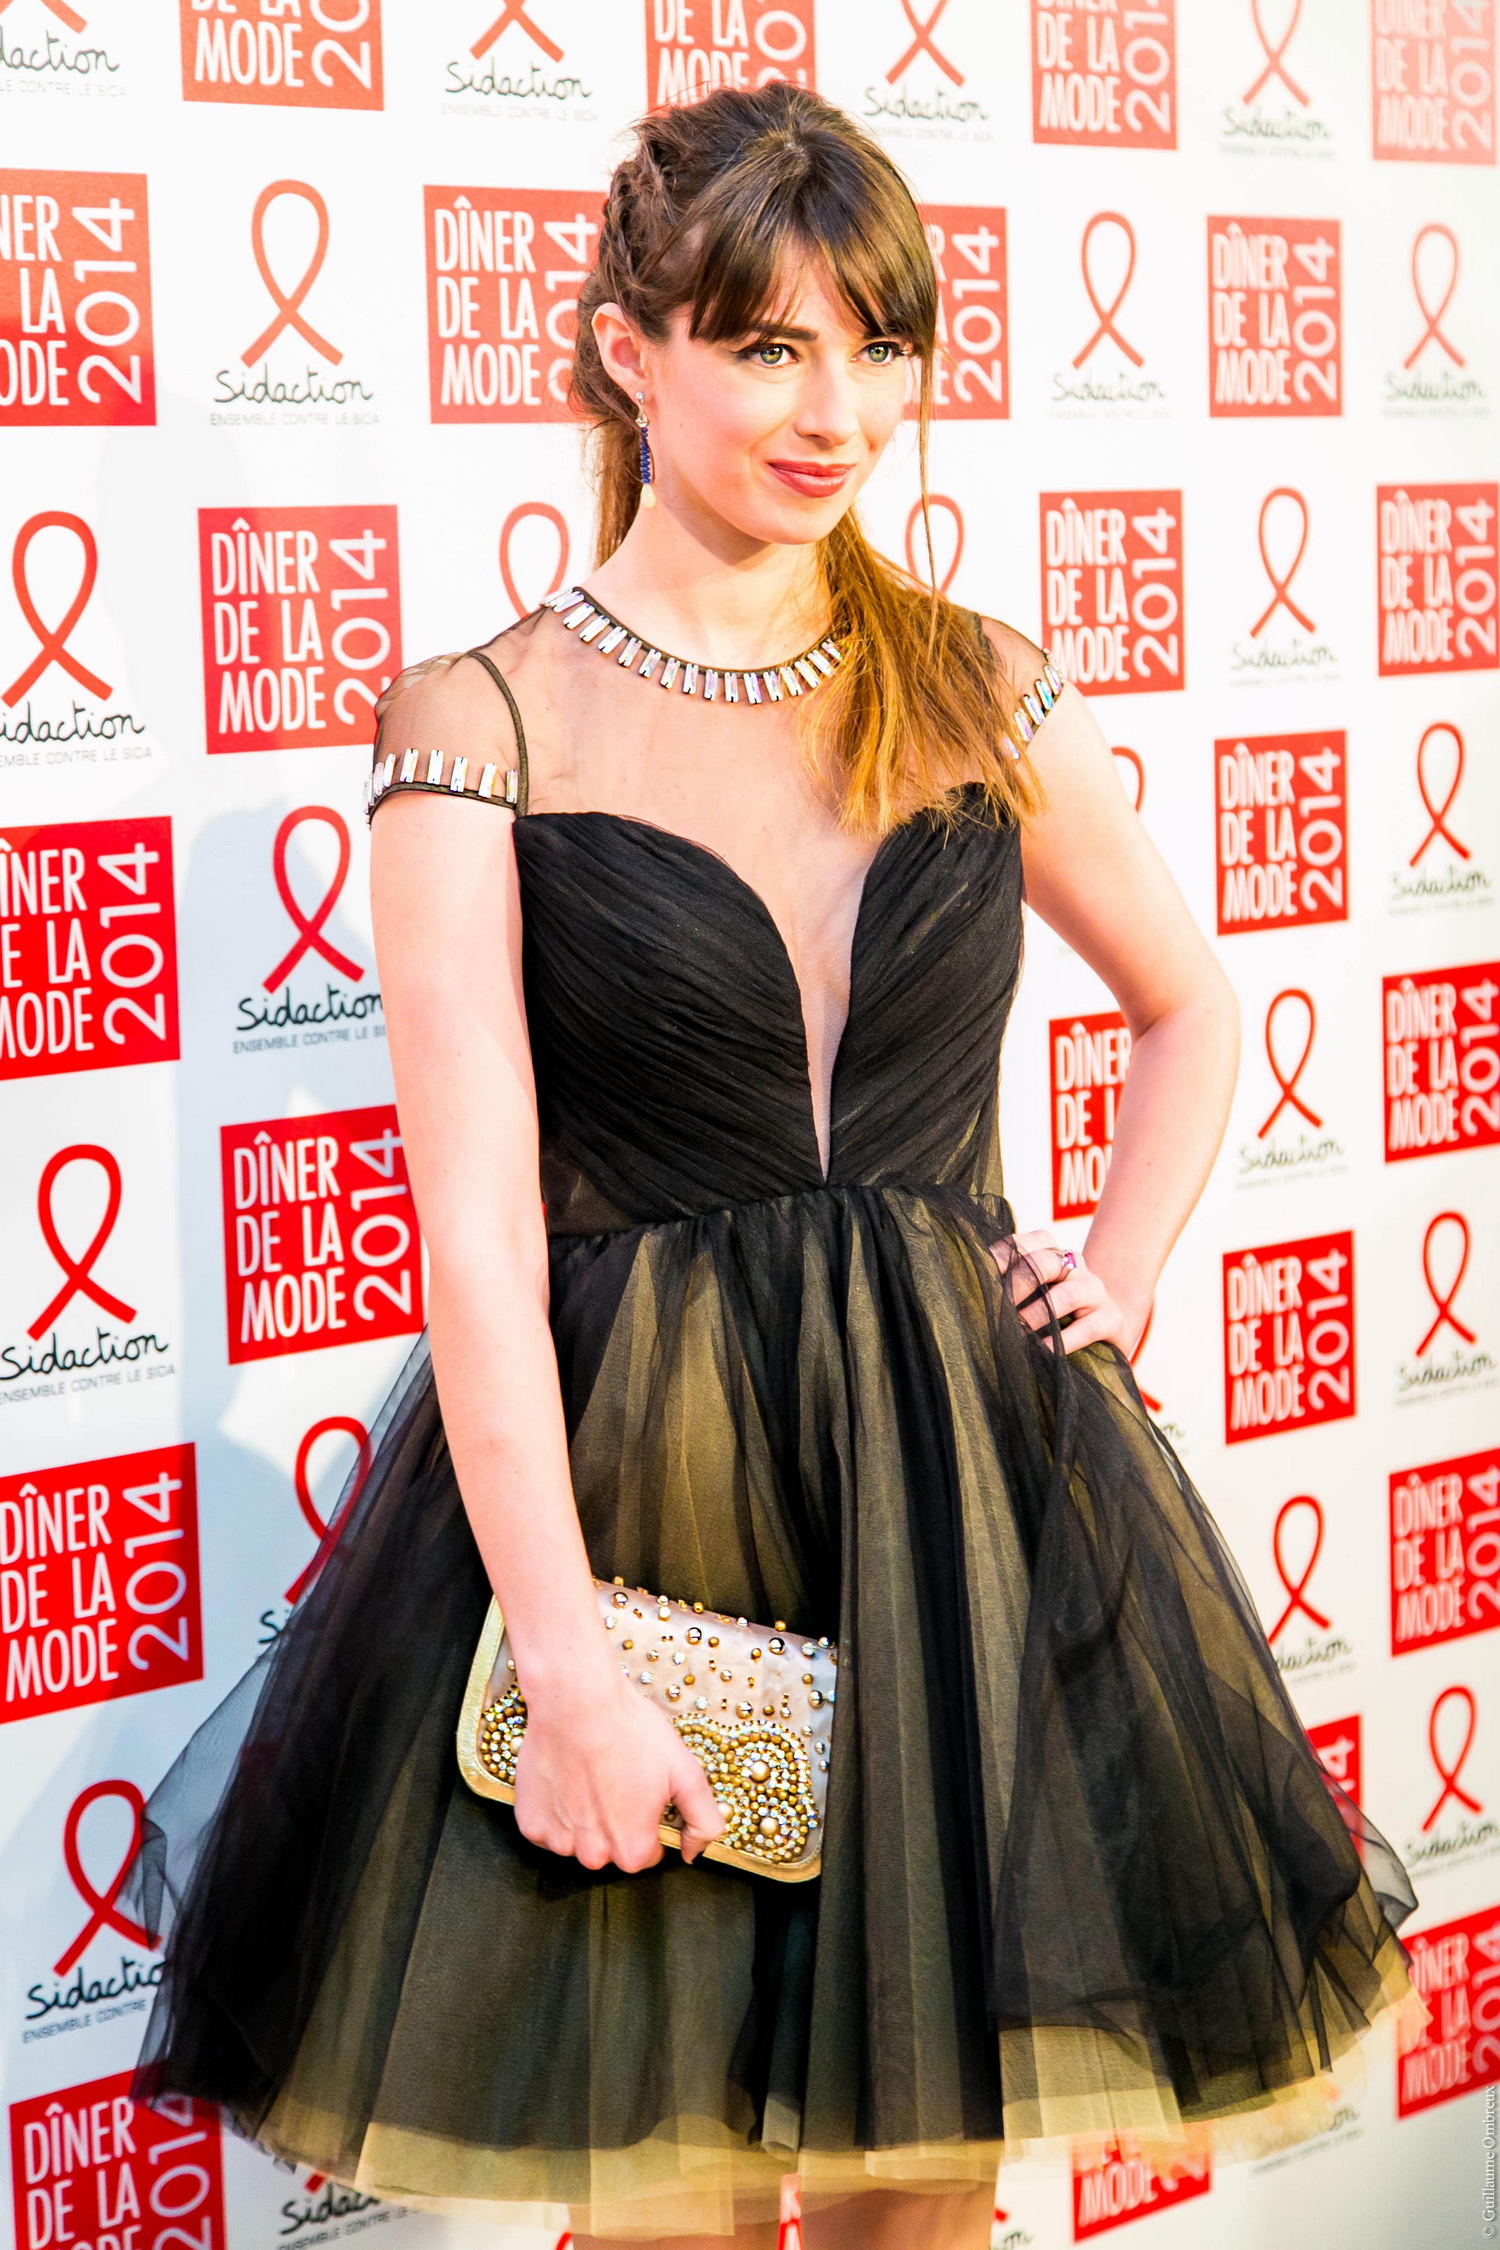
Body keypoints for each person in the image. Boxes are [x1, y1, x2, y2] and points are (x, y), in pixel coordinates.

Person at [124, 83, 1427, 2250]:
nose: (840, 411)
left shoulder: (976, 688)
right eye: (766, 345)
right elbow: (478, 1242)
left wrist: (1115, 1269)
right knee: (674, 2199)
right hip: (637, 1524)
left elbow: (1192, 1007)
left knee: (931, 2189)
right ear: (626, 351)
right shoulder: (481, 722)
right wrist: (564, 1663)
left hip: (958, 1508)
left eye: (881, 346)